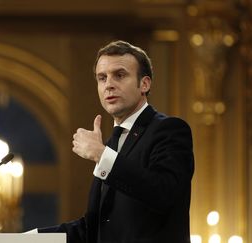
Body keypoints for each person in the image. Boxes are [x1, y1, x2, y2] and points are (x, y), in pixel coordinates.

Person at [37, 40, 194, 243]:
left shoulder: (169, 130)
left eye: (119, 75)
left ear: (144, 84)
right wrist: (23, 240)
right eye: (102, 78)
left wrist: (102, 155)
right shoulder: (112, 143)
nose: (109, 84)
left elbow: (163, 193)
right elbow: (91, 229)